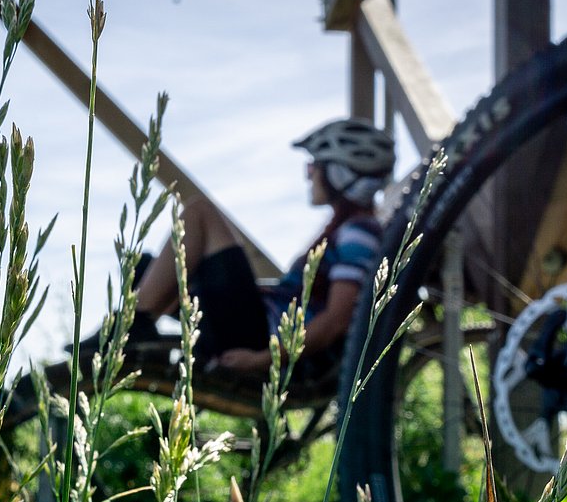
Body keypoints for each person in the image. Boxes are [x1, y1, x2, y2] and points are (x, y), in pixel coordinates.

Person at [76, 118, 395, 374]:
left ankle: (130, 329)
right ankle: (136, 328)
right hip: (257, 329)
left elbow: (336, 320)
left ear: (341, 173)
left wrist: (262, 360)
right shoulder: (352, 230)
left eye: (314, 167)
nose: (309, 174)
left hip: (258, 341)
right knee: (144, 268)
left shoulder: (359, 232)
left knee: (200, 213)